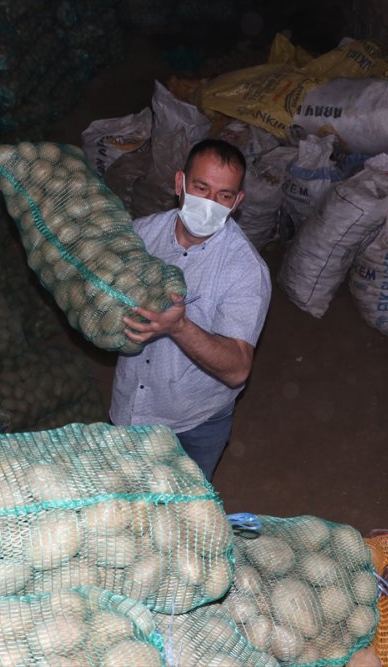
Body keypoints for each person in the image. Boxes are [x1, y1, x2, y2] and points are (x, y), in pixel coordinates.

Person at [110, 138, 272, 480]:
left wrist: (179, 327)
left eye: (224, 195)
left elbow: (238, 368)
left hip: (193, 424)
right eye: (201, 188)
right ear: (179, 184)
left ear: (237, 202)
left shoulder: (245, 270)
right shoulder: (140, 236)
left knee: (184, 514)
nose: (209, 203)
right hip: (130, 407)